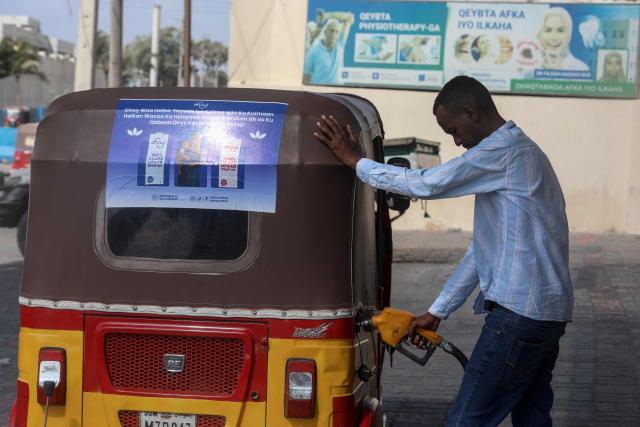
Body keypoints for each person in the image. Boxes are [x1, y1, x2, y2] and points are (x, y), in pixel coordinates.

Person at [313, 76, 573, 427]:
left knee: (466, 420)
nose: (457, 141)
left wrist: (355, 161)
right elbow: (482, 251)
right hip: (546, 316)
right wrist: (438, 311)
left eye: (454, 130)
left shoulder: (503, 152)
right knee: (532, 417)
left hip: (517, 316)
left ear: (472, 112)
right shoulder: (524, 153)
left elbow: (427, 184)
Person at [303, 12, 354, 85]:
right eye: (331, 31)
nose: (334, 34)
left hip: (337, 92)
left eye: (336, 32)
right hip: (319, 92)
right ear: (325, 32)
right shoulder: (314, 51)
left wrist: (327, 15)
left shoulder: (340, 45)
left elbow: (349, 18)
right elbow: (306, 77)